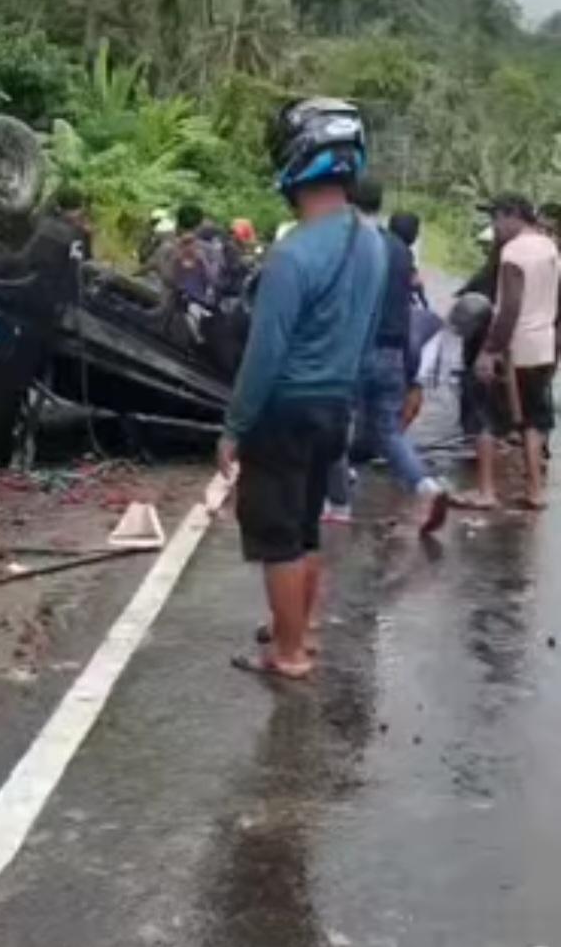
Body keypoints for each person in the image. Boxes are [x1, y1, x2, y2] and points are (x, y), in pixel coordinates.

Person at [219, 98, 386, 681]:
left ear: (298, 162)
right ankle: (302, 632)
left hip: (285, 409)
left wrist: (234, 427)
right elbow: (365, 337)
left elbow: (264, 356)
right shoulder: (373, 245)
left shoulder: (292, 255)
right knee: (308, 525)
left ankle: (287, 655)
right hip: (335, 405)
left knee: (276, 536)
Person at [342, 178, 450, 534]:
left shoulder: (350, 245)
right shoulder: (400, 250)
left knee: (336, 420)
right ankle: (427, 486)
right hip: (392, 352)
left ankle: (337, 498)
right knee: (388, 431)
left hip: (355, 348)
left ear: (349, 202)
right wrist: (409, 366)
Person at [460, 194, 561, 510]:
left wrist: (489, 351)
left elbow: (510, 309)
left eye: (497, 218)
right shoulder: (549, 246)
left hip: (515, 349)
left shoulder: (514, 252)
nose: (495, 226)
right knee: (532, 421)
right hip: (543, 347)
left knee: (486, 419)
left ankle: (486, 492)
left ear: (513, 215)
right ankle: (534, 491)